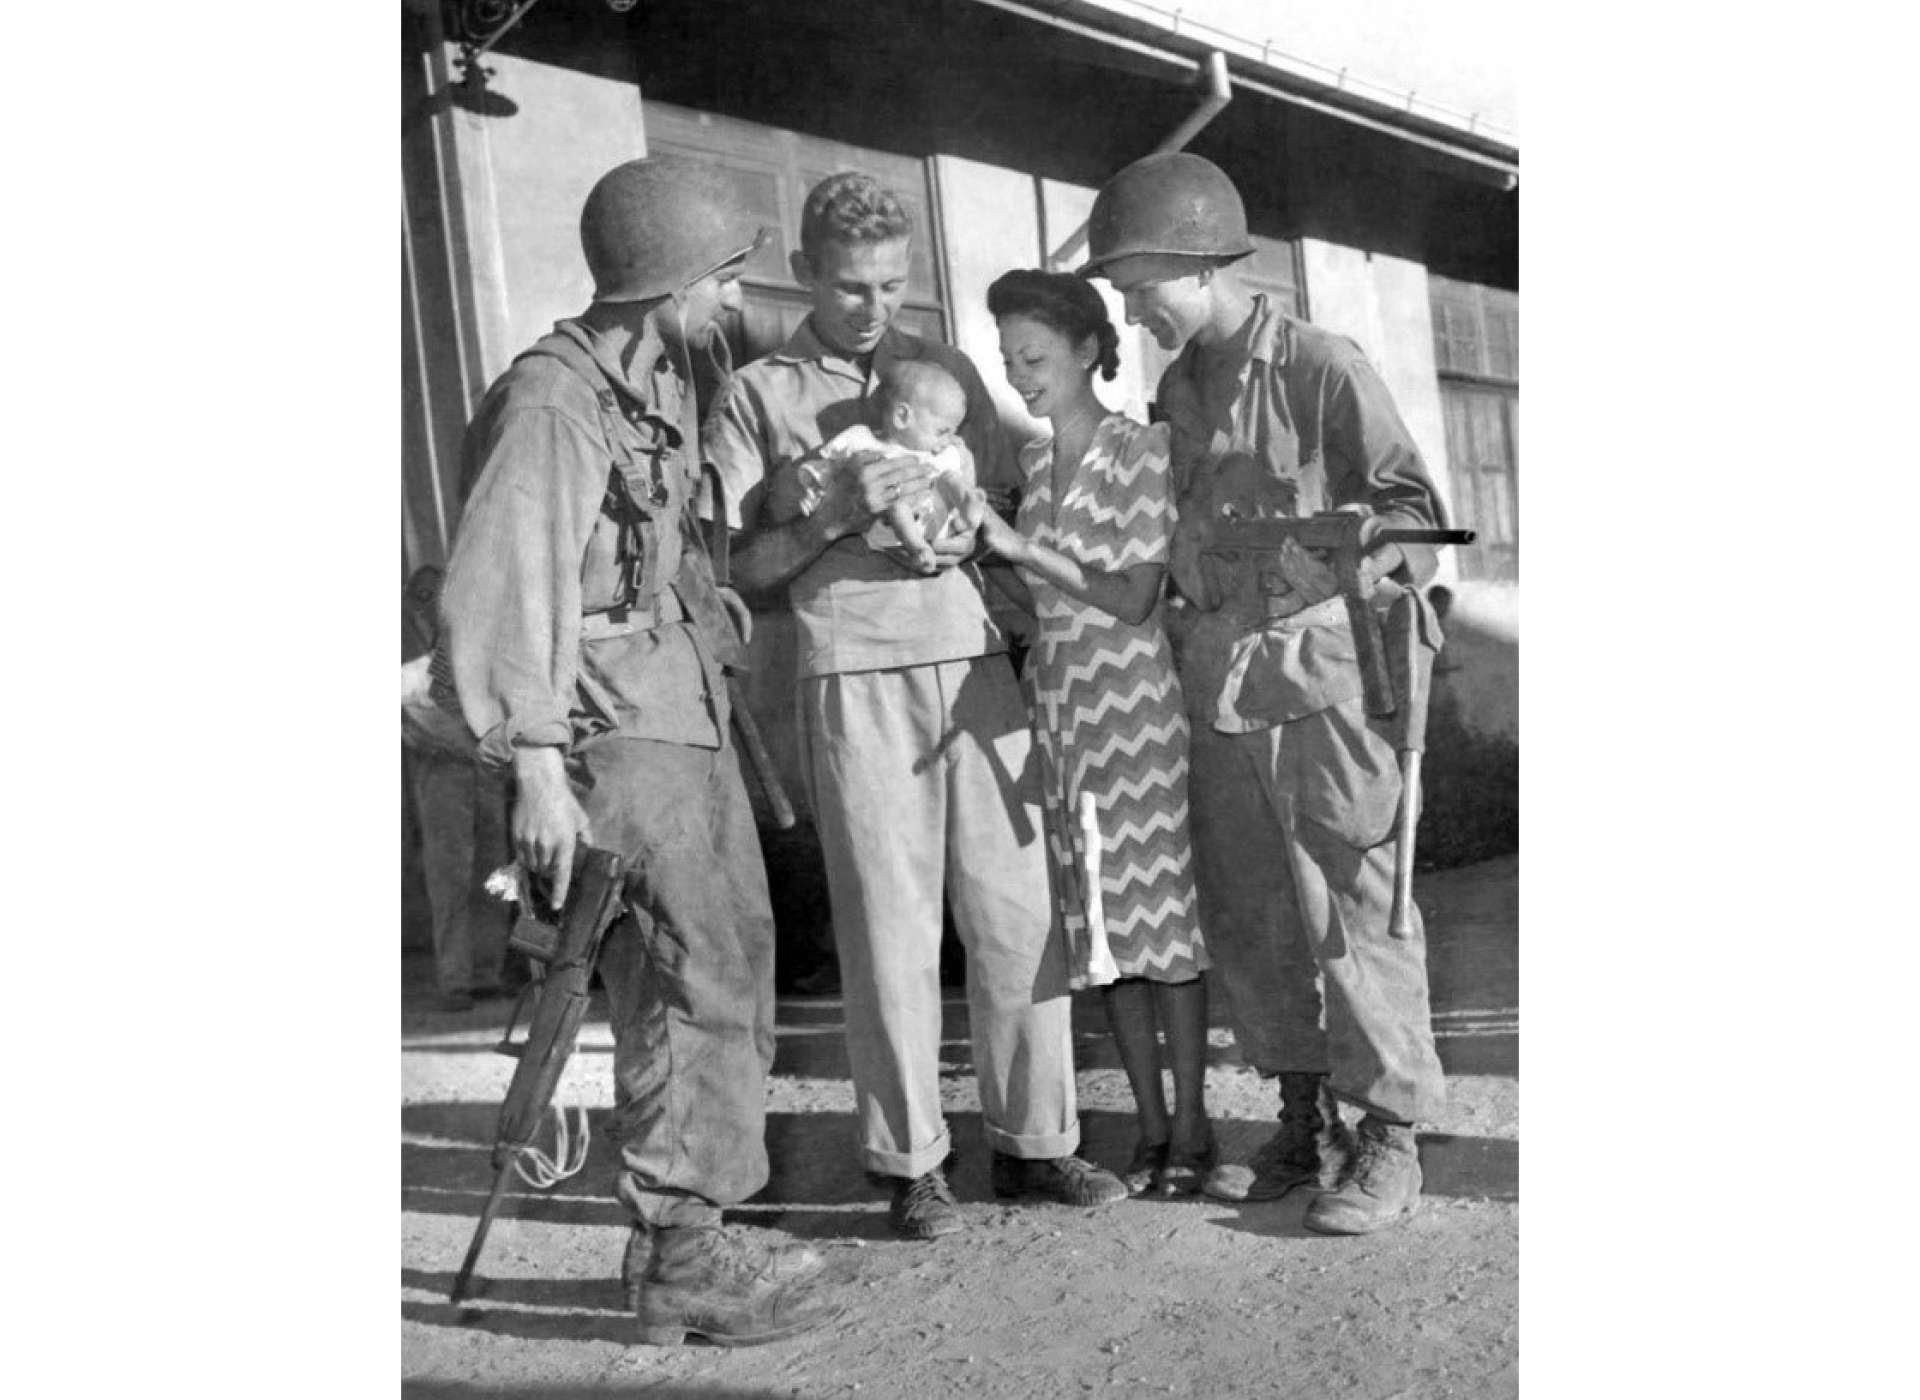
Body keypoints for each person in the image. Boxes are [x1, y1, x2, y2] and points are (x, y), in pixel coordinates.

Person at [435, 154, 840, 1344]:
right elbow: (501, 588)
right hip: (616, 729)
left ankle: (693, 1225)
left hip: (684, 706)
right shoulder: (553, 401)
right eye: (721, 279)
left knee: (730, 956)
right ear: (664, 284)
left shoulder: (655, 373)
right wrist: (537, 766)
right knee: (681, 974)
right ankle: (679, 1254)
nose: (729, 302)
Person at [705, 171, 1127, 1241]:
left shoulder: (940, 376)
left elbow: (995, 509)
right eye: (852, 287)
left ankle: (1038, 1143)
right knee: (890, 931)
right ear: (801, 272)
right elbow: (738, 567)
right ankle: (911, 1162)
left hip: (973, 660)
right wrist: (829, 514)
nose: (875, 308)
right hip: (855, 672)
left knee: (1019, 913)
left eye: (895, 285)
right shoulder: (757, 394)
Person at [1081, 152, 1451, 1235]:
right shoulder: (1179, 385)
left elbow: (1413, 521)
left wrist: (1335, 574)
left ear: (1199, 263)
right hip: (1219, 685)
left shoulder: (1322, 367)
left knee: (1353, 902)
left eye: (1140, 285)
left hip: (1322, 680)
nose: (1132, 308)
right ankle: (1303, 1114)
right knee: (1250, 915)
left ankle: (1388, 1130)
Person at [968, 269, 1213, 1197]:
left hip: (1135, 704)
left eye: (1033, 358)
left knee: (1164, 924)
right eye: (1007, 361)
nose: (1020, 376)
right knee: (1100, 930)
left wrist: (1021, 548)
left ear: (1084, 350)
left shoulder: (1140, 450)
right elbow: (1034, 604)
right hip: (1061, 706)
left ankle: (1192, 1128)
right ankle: (1148, 1130)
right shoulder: (1030, 470)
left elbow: (1135, 595)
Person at [402, 566, 516, 1014]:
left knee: (493, 869)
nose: (435, 605)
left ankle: (487, 972)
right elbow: (409, 723)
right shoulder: (409, 662)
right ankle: (455, 979)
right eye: (426, 597)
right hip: (443, 774)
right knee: (450, 874)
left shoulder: (470, 651)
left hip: (485, 772)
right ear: (415, 605)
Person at [791, 358, 975, 574]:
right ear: (902, 416)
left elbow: (959, 473)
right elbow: (828, 470)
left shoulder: (938, 452)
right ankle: (917, 548)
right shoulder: (864, 442)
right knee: (898, 505)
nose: (948, 440)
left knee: (951, 480)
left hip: (935, 524)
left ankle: (969, 508)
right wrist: (813, 497)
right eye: (942, 432)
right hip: (892, 531)